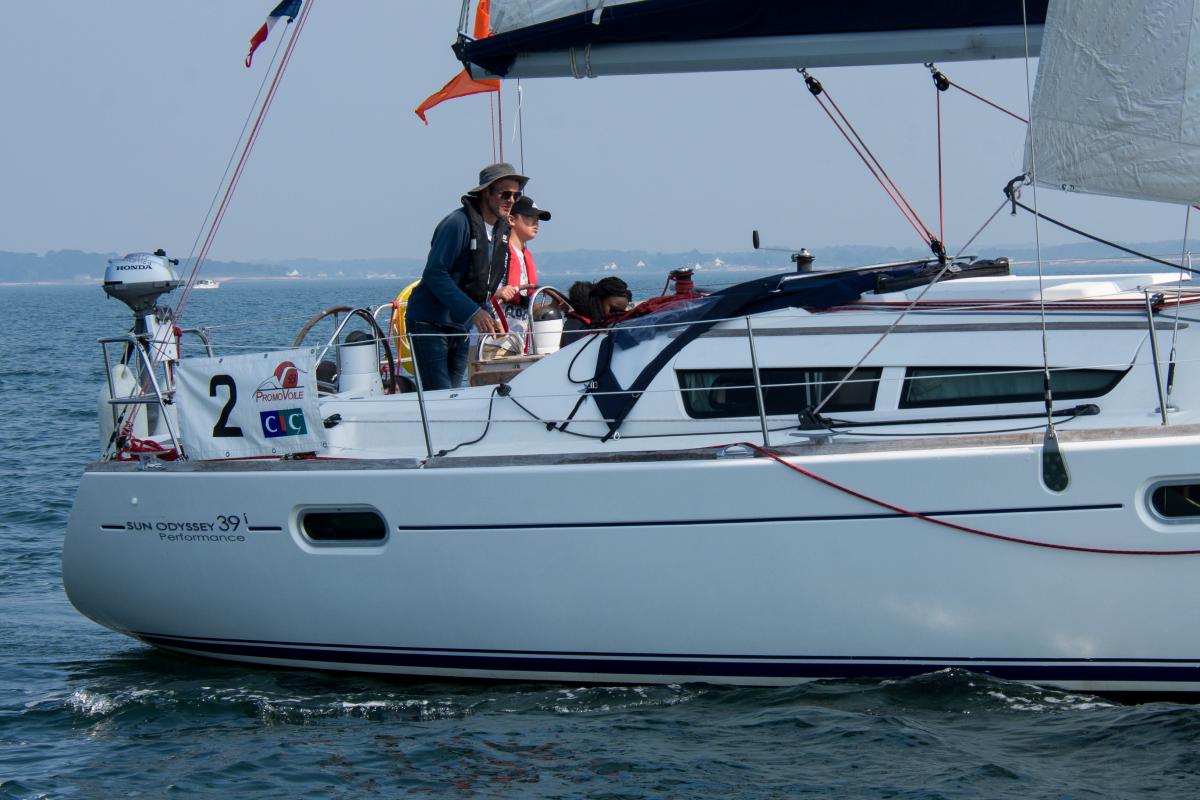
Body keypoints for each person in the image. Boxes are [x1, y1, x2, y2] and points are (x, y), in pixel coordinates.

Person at [404, 162, 527, 390]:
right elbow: (435, 273)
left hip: (460, 325)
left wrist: (488, 315)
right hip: (429, 322)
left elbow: (479, 285)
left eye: (516, 195)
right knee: (440, 394)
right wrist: (473, 312)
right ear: (486, 192)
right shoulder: (457, 224)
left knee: (454, 395)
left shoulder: (500, 231)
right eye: (505, 194)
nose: (511, 200)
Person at [481, 195, 552, 359]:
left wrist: (552, 306)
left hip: (517, 345)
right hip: (492, 343)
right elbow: (474, 289)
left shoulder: (526, 257)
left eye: (537, 219)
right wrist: (498, 292)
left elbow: (523, 305)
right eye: (529, 217)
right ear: (511, 219)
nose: (536, 223)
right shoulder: (495, 253)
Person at [560, 276, 633, 346]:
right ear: (598, 301)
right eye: (613, 309)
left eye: (621, 312)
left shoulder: (608, 324)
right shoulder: (576, 326)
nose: (616, 315)